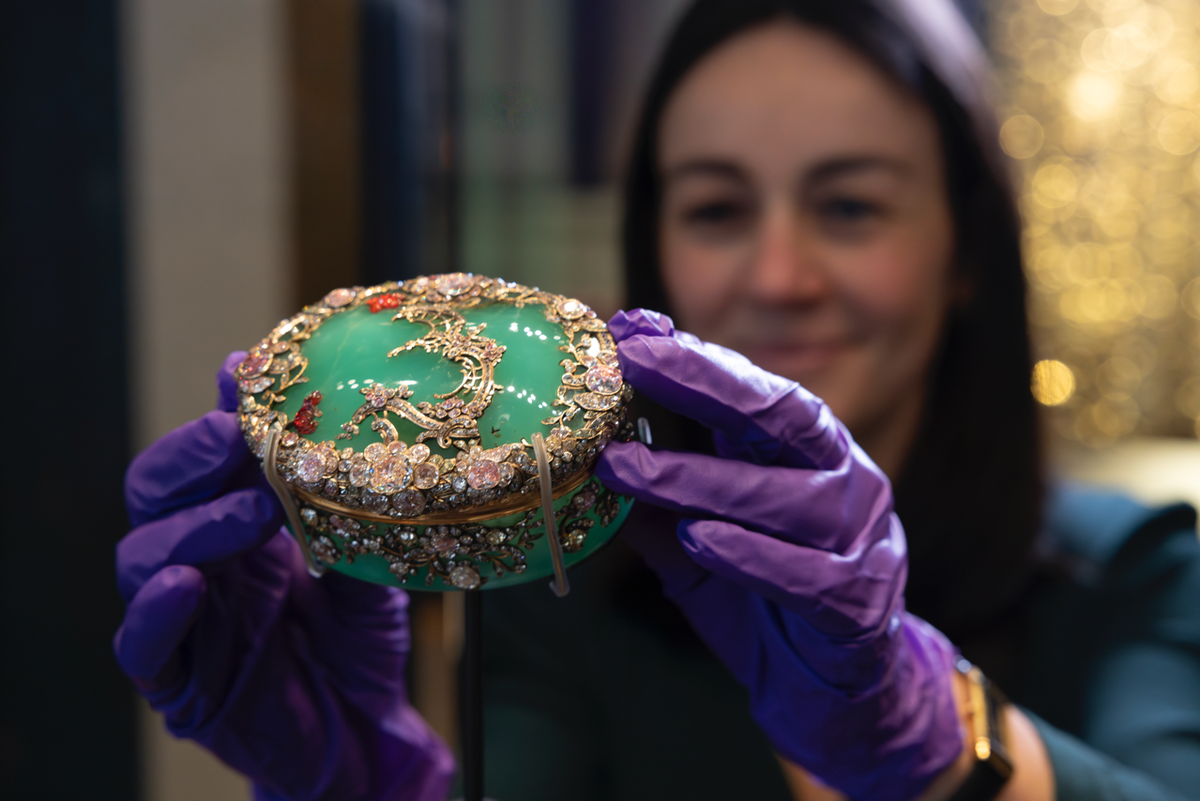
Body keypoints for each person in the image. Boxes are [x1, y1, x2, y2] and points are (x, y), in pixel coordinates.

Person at [115, 0, 1200, 799]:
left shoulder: (1139, 572)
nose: (779, 276)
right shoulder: (564, 569)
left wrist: (935, 745)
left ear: (966, 253)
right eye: (717, 209)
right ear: (655, 250)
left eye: (852, 207)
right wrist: (369, 783)